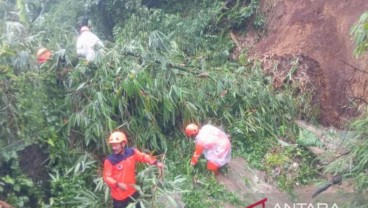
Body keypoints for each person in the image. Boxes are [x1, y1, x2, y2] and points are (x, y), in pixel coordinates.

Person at [103, 131, 164, 208]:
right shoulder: (110, 160)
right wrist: (117, 184)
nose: (113, 148)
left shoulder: (132, 152)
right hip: (119, 197)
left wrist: (156, 162)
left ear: (123, 144)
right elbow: (107, 177)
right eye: (112, 146)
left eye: (116, 145)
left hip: (132, 191)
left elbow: (143, 157)